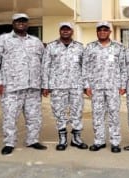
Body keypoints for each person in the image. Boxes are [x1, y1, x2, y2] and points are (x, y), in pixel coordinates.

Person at [0, 13, 47, 155]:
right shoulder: (2, 40)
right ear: (13, 23)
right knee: (10, 117)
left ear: (28, 24)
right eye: (18, 21)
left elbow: (44, 63)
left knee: (34, 116)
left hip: (33, 87)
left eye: (24, 21)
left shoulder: (35, 41)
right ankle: (9, 143)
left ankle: (32, 140)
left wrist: (44, 84)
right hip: (11, 87)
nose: (21, 23)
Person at [42, 22, 88, 151]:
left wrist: (86, 85)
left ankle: (76, 138)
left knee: (77, 112)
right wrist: (45, 85)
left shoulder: (79, 47)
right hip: (57, 86)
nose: (65, 31)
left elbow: (84, 67)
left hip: (76, 85)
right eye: (63, 29)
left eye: (68, 29)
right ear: (60, 31)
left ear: (72, 31)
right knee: (59, 112)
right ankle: (62, 139)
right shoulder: (51, 47)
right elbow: (45, 66)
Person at [82, 21, 127, 153]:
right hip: (96, 87)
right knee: (97, 114)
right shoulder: (90, 47)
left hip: (113, 86)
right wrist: (86, 85)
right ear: (97, 32)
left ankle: (115, 142)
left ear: (110, 32)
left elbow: (123, 67)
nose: (102, 32)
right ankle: (99, 141)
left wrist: (123, 84)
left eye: (105, 29)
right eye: (100, 30)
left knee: (114, 114)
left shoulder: (118, 47)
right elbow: (85, 67)